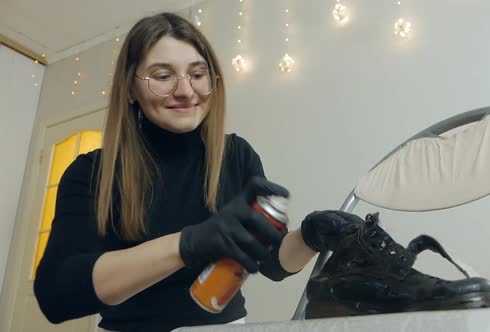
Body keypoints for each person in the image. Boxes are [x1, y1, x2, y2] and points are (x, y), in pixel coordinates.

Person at [33, 12, 361, 332]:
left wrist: (309, 236)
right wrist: (189, 243)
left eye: (198, 74)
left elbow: (271, 261)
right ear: (131, 87)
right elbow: (58, 295)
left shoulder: (236, 155)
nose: (186, 91)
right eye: (163, 76)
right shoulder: (92, 171)